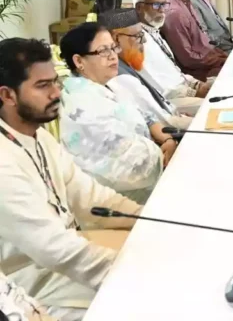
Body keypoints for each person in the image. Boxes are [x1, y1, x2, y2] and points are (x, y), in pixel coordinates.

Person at [0, 38, 142, 320]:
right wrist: (131, 276)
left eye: (55, 81)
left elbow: (92, 199)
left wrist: (148, 217)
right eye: (43, 85)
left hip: (65, 259)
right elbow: (53, 248)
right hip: (34, 284)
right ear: (7, 95)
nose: (57, 92)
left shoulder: (38, 136)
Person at [59, 23, 175, 203]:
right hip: (127, 201)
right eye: (103, 51)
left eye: (113, 48)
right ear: (79, 61)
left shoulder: (111, 85)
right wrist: (167, 149)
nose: (113, 56)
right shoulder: (82, 108)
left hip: (158, 170)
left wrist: (167, 139)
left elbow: (145, 116)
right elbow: (134, 166)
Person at [99, 8, 193, 129]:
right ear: (116, 39)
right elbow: (162, 121)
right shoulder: (119, 76)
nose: (144, 40)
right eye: (138, 35)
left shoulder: (125, 62)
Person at [132, 0, 212, 116]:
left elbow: (175, 73)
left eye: (164, 4)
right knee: (214, 105)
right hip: (169, 102)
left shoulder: (154, 32)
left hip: (183, 90)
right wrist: (194, 92)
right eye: (156, 5)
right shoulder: (137, 40)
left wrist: (195, 83)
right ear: (139, 7)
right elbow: (160, 87)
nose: (162, 10)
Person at [161, 0, 228, 80]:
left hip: (210, 63)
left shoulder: (187, 1)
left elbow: (203, 43)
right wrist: (222, 59)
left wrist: (221, 56)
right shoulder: (174, 12)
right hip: (199, 73)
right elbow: (189, 59)